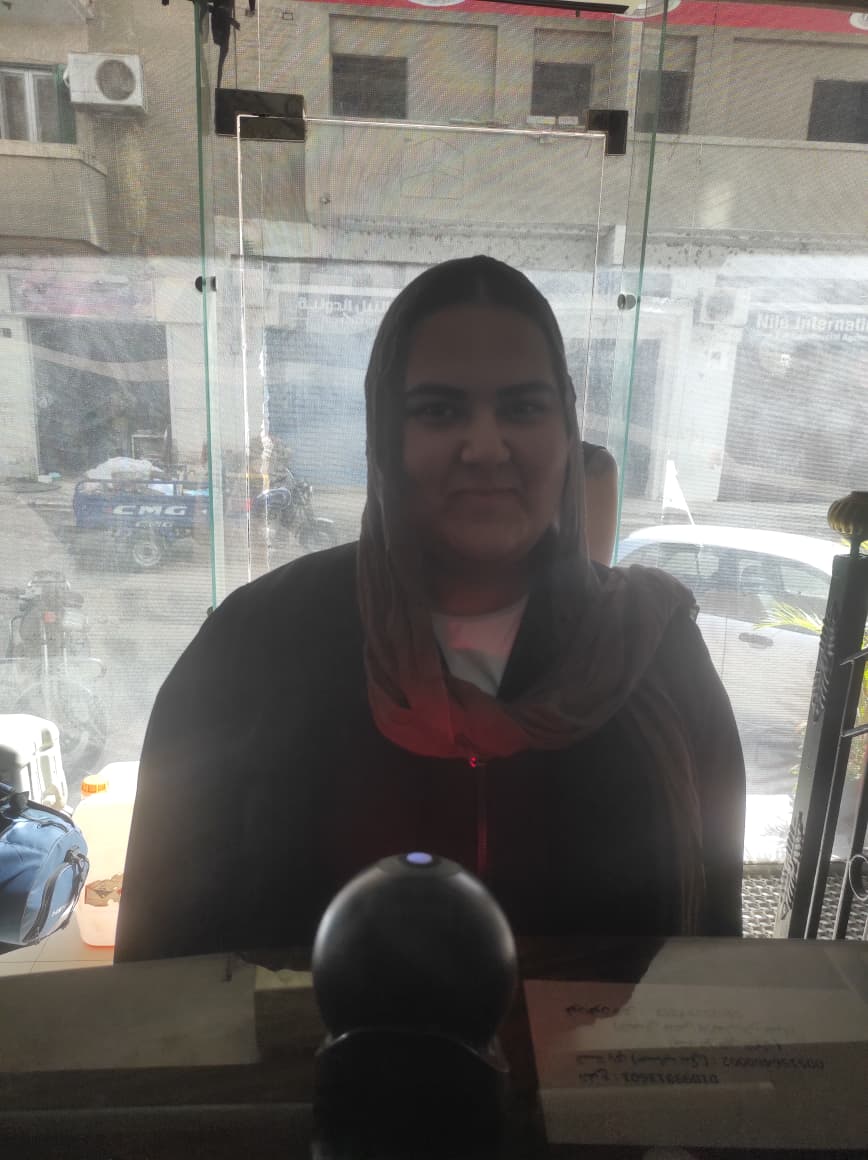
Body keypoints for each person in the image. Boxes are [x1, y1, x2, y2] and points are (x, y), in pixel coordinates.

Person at [115, 256, 744, 963]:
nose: (486, 447)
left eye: (523, 408)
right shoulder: (253, 649)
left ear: (567, 433)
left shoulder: (653, 650)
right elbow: (161, 967)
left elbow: (714, 951)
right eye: (439, 410)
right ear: (385, 437)